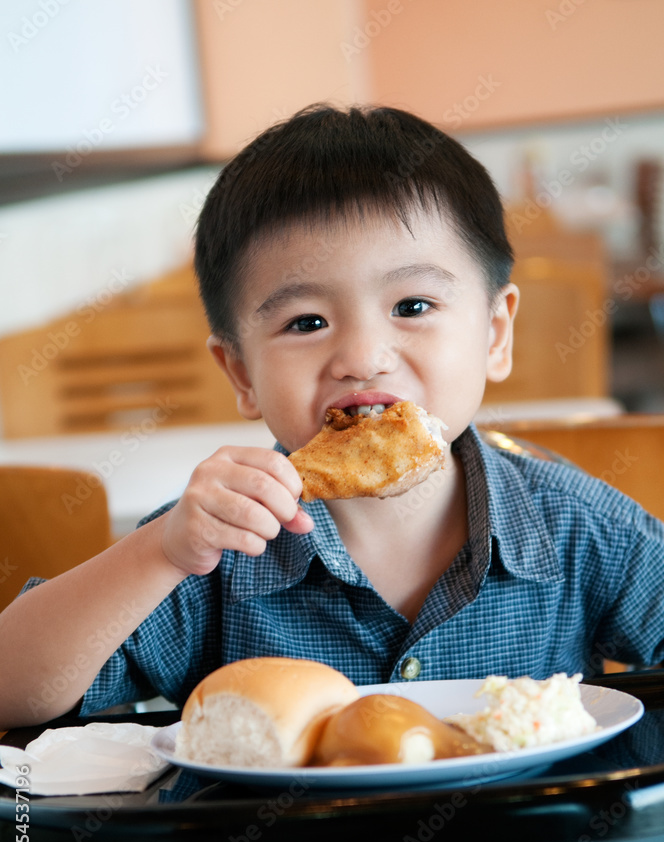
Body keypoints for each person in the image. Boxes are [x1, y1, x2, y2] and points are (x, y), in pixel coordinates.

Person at [1, 105, 662, 731]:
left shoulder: (578, 528)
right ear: (241, 374)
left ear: (494, 334)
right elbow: (12, 688)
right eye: (307, 322)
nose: (363, 358)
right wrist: (159, 553)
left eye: (412, 306)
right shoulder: (211, 549)